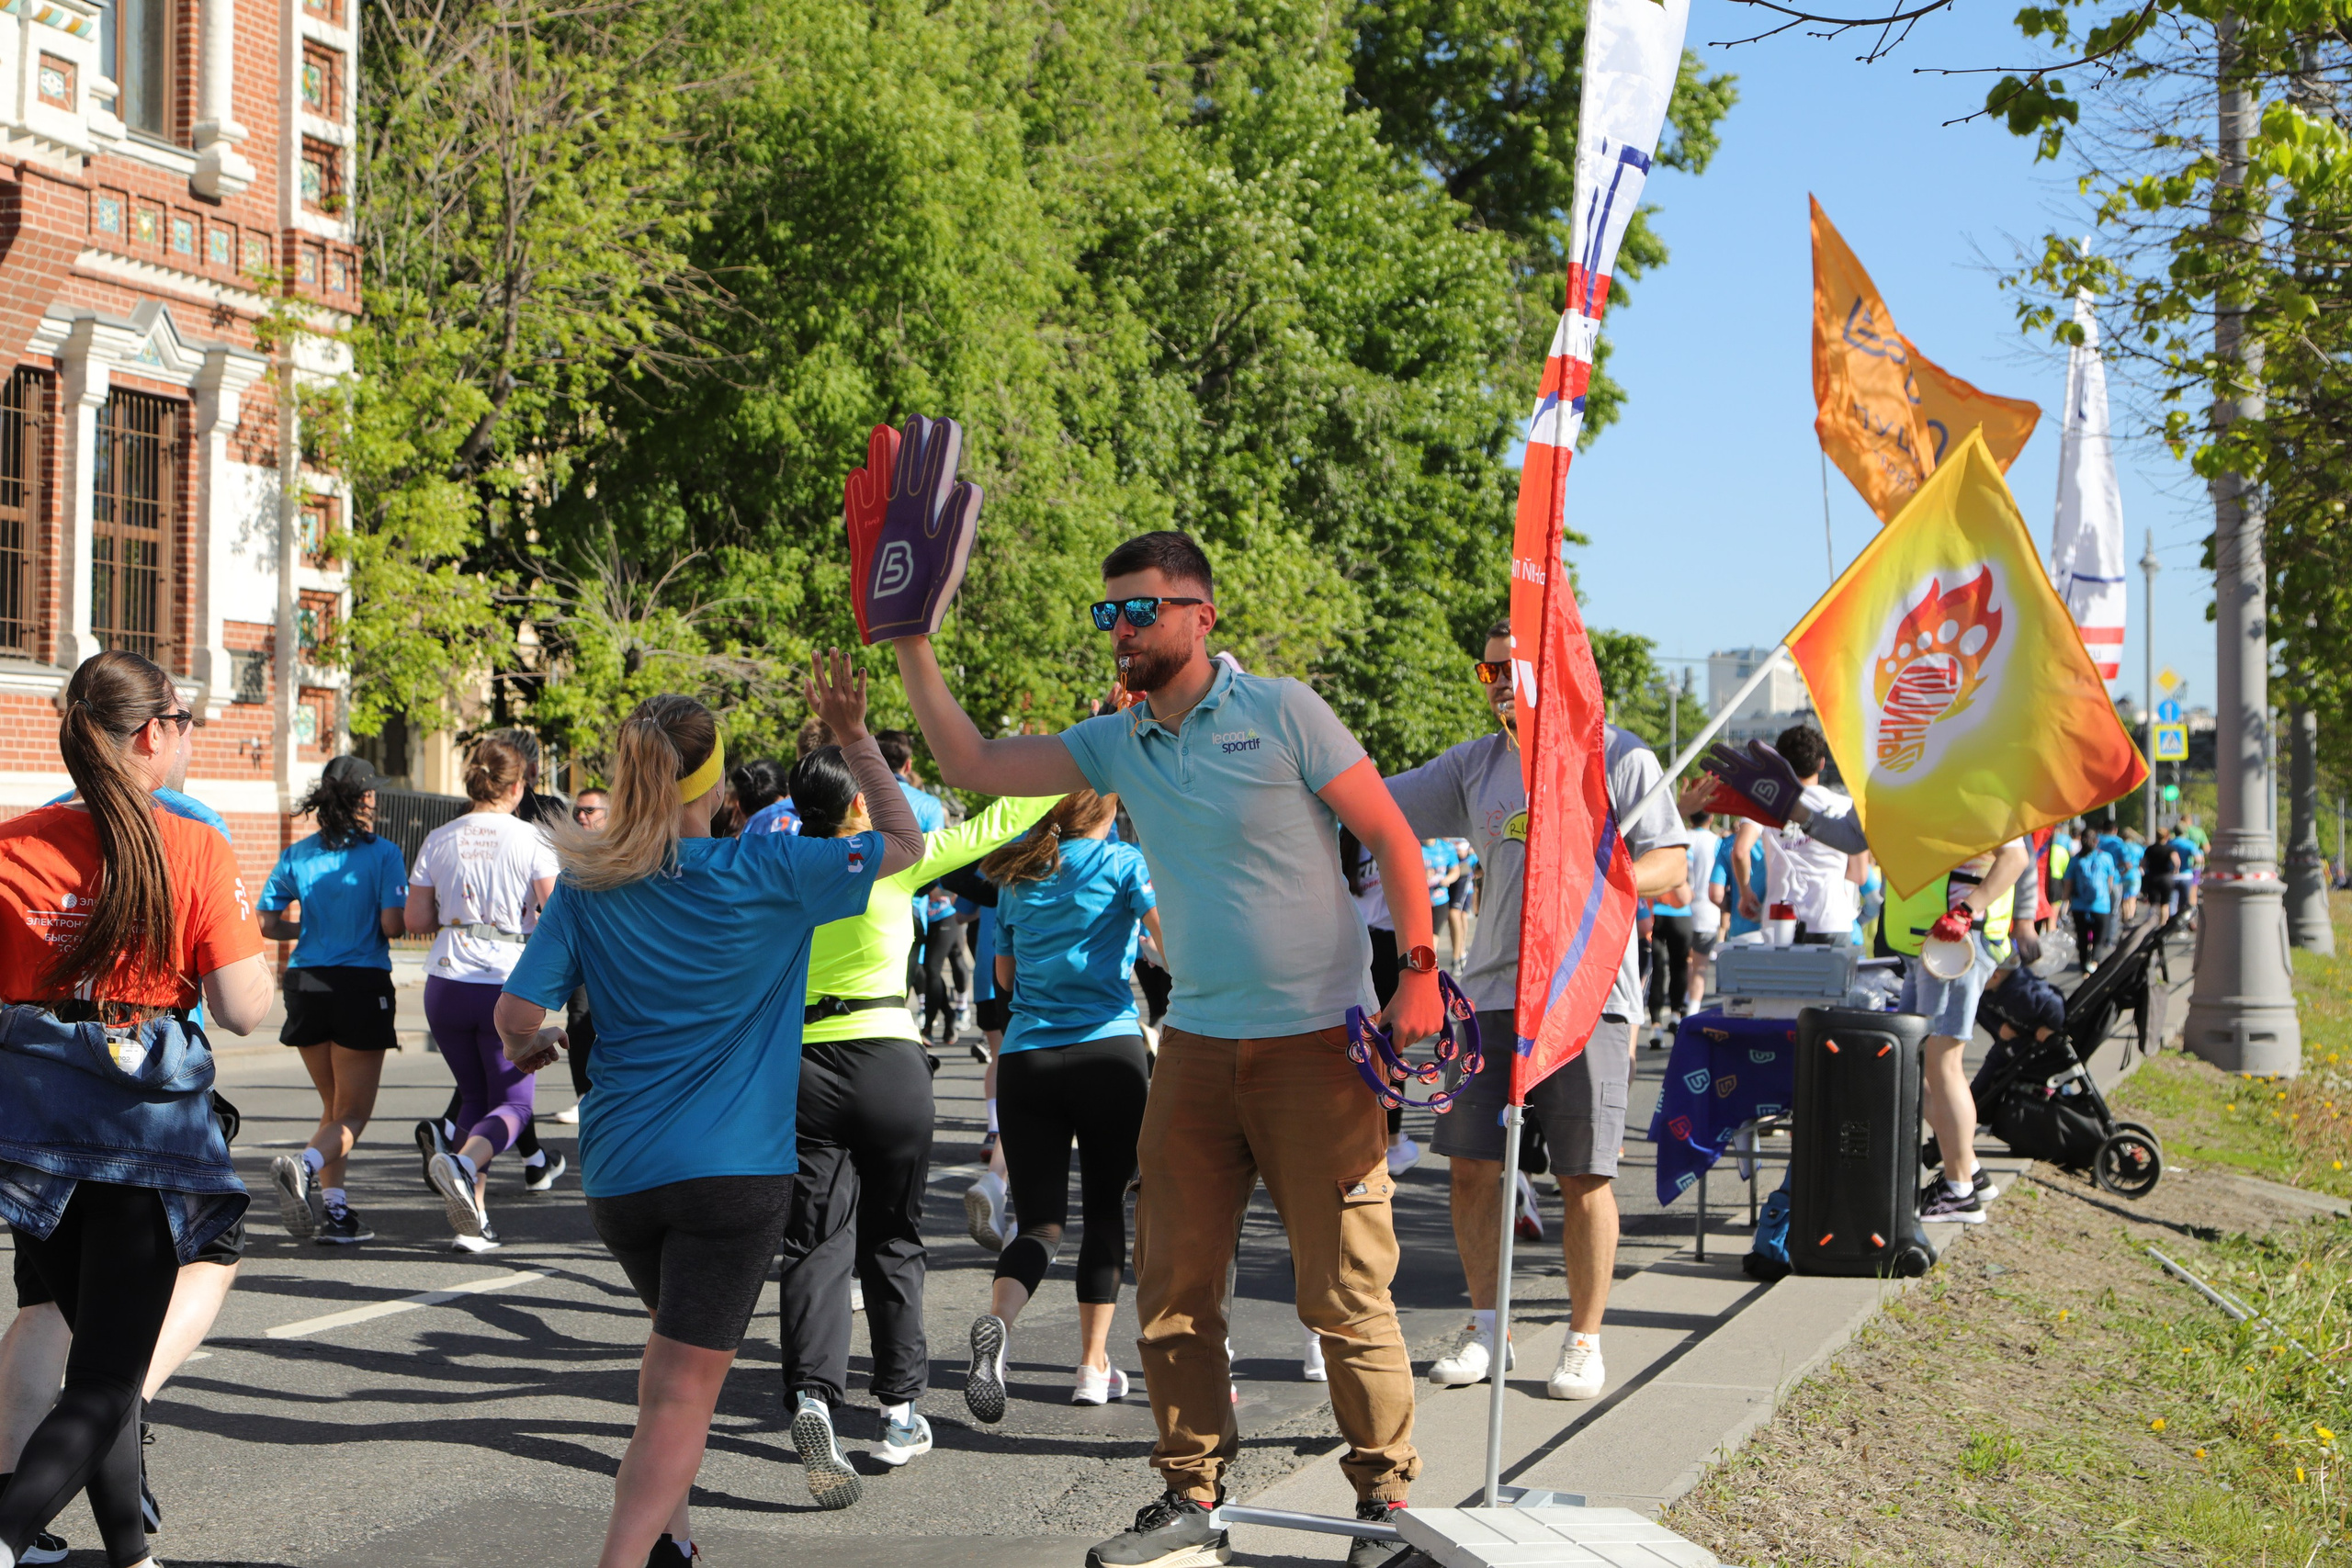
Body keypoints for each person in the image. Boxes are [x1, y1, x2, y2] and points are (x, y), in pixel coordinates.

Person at [890, 530, 1444, 1568]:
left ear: (1200, 615)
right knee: (1173, 1288)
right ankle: (1191, 1492)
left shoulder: (1284, 711)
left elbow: (1392, 837)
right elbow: (968, 763)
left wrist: (1416, 967)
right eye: (1108, 614)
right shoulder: (1118, 741)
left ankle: (1386, 1510)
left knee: (1343, 1291)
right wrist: (912, 642)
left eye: (1138, 609)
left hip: (1315, 1045)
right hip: (1192, 1044)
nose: (1120, 630)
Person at [496, 663, 920, 1568]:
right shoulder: (771, 867)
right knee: (684, 1395)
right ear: (721, 786)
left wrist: (532, 1052)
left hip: (622, 1179)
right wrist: (851, 738)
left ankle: (672, 1548)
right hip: (732, 1176)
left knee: (668, 1377)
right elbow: (904, 842)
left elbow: (514, 1020)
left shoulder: (586, 885)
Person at [0, 649, 273, 1568]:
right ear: (153, 734)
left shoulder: (12, 845)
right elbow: (243, 1008)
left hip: (28, 1132)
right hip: (142, 1135)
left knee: (98, 1358)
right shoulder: (193, 844)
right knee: (113, 1372)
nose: (190, 738)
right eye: (187, 722)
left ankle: (131, 1554)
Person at [1390, 622, 1688, 1404]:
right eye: (1485, 668)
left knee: (1583, 1174)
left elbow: (1671, 865)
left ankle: (1583, 1340)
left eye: (1510, 666)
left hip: (1587, 996)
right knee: (1470, 1169)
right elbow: (1377, 803)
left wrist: (1604, 867)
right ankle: (1489, 1326)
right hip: (1489, 993)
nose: (1494, 680)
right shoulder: (1477, 764)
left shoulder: (1620, 757)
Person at [774, 750, 1053, 1509]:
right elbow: (1004, 819)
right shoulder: (889, 856)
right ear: (860, 809)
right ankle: (900, 1412)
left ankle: (812, 1398)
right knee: (893, 1237)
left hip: (801, 1062)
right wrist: (1082, 751)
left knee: (813, 1240)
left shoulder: (774, 862)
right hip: (889, 1059)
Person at [1696, 739, 2030, 1224]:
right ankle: (1968, 1169)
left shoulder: (1967, 779)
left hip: (1955, 943)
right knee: (1917, 1066)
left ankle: (1960, 1190)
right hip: (1922, 944)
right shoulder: (1898, 776)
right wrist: (1788, 802)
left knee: (1942, 1062)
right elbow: (1852, 836)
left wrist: (1967, 910)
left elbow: (2014, 857)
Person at [962, 789, 1166, 1421]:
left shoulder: (1021, 872)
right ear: (1107, 812)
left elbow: (1002, 978)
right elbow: (1172, 945)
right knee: (1105, 1213)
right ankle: (1091, 1365)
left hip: (1027, 1059)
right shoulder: (1125, 863)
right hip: (1109, 1051)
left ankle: (999, 1323)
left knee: (1041, 1223)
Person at [409, 734, 563, 1247]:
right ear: (517, 786)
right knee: (516, 1106)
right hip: (506, 979)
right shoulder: (530, 840)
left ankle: (471, 1219)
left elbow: (414, 918)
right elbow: (555, 917)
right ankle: (459, 1161)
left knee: (476, 1096)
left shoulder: (440, 837)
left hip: (446, 979)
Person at [258, 755, 411, 1246]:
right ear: (364, 798)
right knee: (353, 1114)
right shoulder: (384, 852)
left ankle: (337, 1213)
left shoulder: (298, 853)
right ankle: (301, 1167)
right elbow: (391, 925)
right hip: (360, 984)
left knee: (333, 1107)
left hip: (306, 981)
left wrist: (312, 928)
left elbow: (267, 924)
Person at [1730, 727, 1866, 942]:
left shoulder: (1766, 802)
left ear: (1780, 763)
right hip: (1830, 919)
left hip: (1779, 920)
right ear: (1822, 763)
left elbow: (1739, 851)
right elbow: (1859, 875)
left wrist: (1746, 893)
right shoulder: (1844, 805)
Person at [1681, 808, 1722, 1017]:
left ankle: (1680, 1006)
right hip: (1707, 910)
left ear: (1690, 817)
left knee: (1684, 962)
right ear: (1711, 817)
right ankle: (1691, 1010)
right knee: (1700, 966)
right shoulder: (1717, 842)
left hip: (1677, 910)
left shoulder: (1681, 837)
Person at [2067, 825, 2121, 972]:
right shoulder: (2106, 857)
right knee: (2099, 938)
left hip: (2079, 905)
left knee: (2083, 938)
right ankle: (2095, 964)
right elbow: (2110, 883)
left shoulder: (2075, 860)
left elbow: (2068, 883)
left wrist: (2066, 903)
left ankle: (2084, 968)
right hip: (2101, 905)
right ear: (2096, 841)